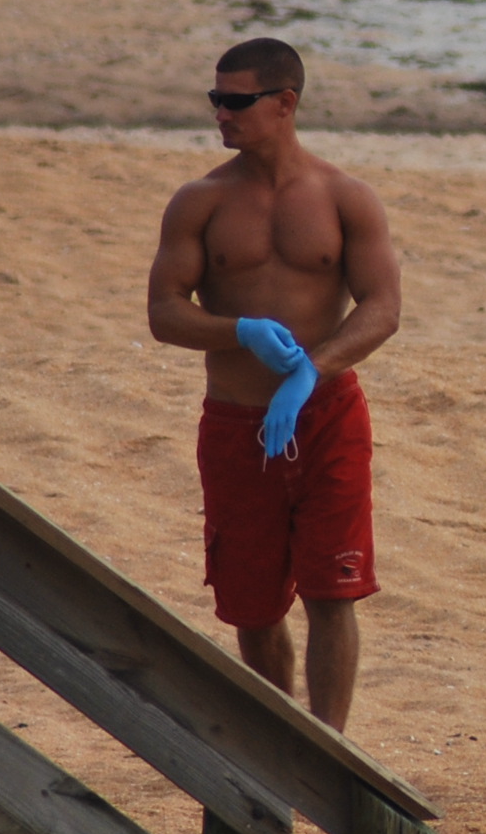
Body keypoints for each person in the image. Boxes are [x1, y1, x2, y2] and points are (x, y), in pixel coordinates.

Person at [146, 38, 401, 730]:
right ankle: (278, 745)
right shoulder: (200, 201)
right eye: (215, 99)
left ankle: (331, 749)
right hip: (235, 424)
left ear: (284, 103)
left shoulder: (346, 197)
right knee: (254, 606)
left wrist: (313, 370)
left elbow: (382, 308)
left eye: (236, 101)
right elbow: (164, 312)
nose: (221, 113)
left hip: (326, 418)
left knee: (333, 590)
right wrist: (241, 331)